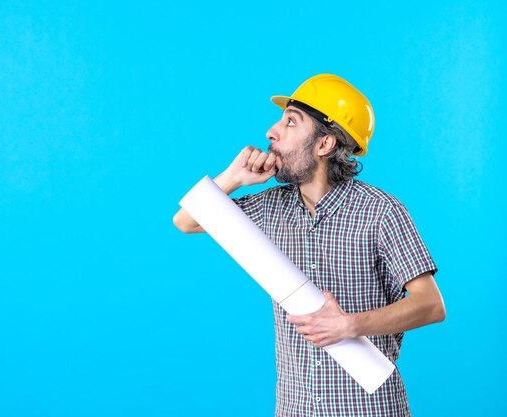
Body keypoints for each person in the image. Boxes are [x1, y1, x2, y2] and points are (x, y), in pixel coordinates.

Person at [173, 74, 445, 417]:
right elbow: (186, 221)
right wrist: (234, 177)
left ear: (324, 145)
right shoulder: (271, 207)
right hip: (295, 408)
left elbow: (431, 305)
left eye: (290, 122)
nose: (271, 132)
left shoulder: (381, 212)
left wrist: (349, 325)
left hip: (368, 408)